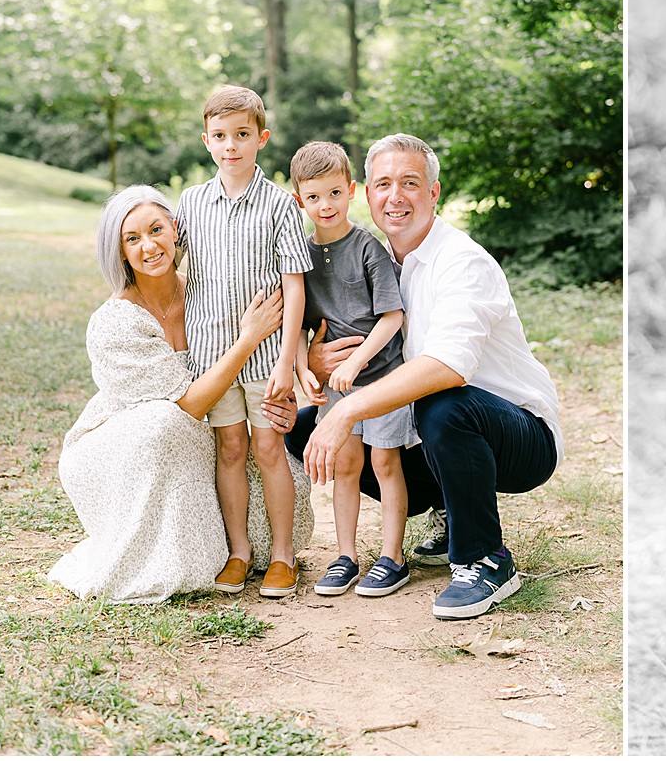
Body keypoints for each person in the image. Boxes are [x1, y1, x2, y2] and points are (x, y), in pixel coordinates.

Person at [291, 134, 563, 623]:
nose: (396, 197)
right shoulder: (373, 259)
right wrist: (315, 361)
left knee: (444, 405)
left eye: (410, 183)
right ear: (367, 194)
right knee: (304, 426)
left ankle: (485, 558)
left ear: (434, 193)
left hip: (518, 435)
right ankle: (449, 510)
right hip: (428, 435)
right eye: (384, 184)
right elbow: (336, 331)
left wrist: (351, 406)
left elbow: (449, 366)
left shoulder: (461, 261)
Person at [49, 186, 301, 602]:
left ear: (176, 231)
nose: (149, 246)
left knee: (283, 482)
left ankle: (273, 554)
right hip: (126, 444)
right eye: (133, 239)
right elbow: (187, 406)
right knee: (167, 423)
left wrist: (279, 400)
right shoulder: (115, 322)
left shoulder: (208, 294)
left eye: (156, 229)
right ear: (120, 253)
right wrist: (248, 338)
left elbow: (261, 365)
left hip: (208, 437)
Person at [177, 84, 311, 598]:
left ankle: (283, 556)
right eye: (219, 136)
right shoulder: (191, 203)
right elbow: (173, 268)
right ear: (206, 141)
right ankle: (239, 551)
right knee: (229, 449)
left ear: (261, 138)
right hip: (211, 355)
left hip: (264, 357)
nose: (230, 145)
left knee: (268, 447)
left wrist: (286, 363)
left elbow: (295, 284)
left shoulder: (279, 205)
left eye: (241, 135)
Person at [287, 140, 413, 599]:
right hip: (335, 385)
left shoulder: (367, 248)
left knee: (384, 461)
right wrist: (303, 369)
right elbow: (296, 324)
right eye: (315, 197)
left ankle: (392, 557)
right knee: (345, 465)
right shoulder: (298, 254)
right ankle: (345, 556)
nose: (326, 205)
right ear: (300, 199)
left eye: (335, 194)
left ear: (352, 191)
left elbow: (392, 317)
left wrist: (358, 360)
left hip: (381, 376)